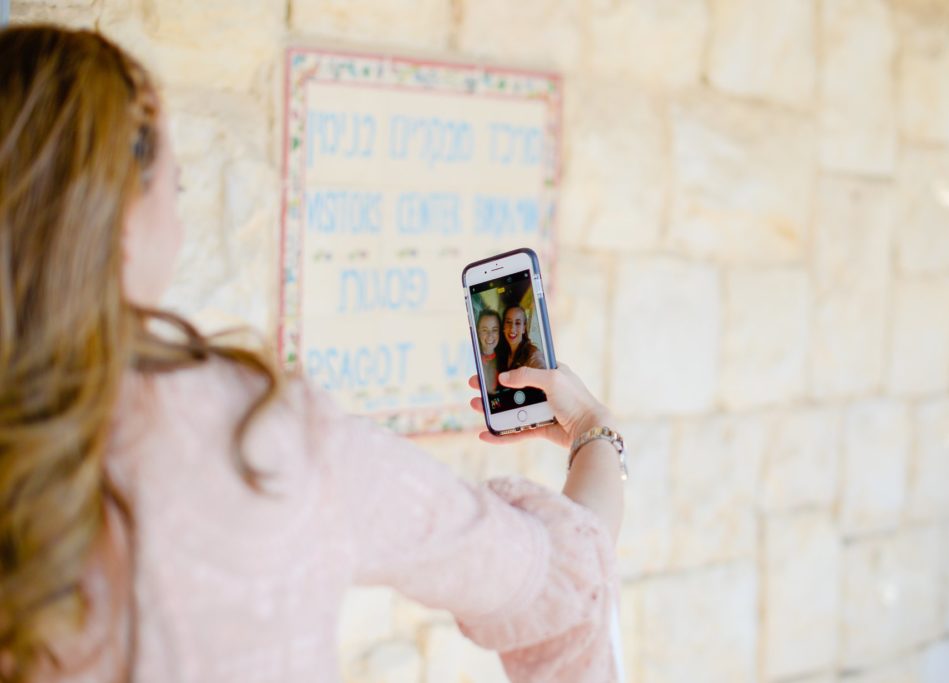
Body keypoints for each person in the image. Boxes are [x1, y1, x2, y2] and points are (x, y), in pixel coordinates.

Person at [0, 25, 625, 683]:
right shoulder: (259, 438)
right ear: (119, 217)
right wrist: (595, 433)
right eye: (175, 187)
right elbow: (552, 573)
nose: (180, 219)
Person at [497, 305, 546, 373]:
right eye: (508, 322)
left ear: (523, 328)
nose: (512, 328)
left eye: (517, 323)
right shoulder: (503, 351)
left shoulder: (532, 354)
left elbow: (542, 368)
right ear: (503, 327)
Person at [475, 308, 501, 396]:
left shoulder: (506, 360)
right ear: (478, 332)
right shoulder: (472, 360)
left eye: (494, 330)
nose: (490, 335)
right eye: (485, 330)